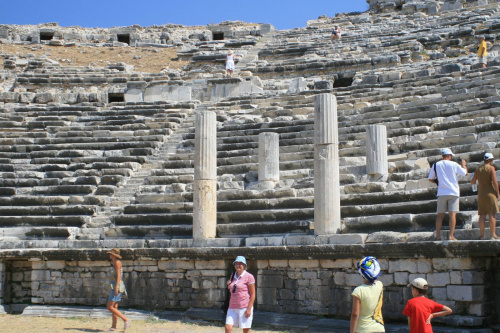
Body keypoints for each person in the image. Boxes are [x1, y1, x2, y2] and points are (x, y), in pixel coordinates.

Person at [428, 148, 467, 241]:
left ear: (442, 156)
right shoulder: (454, 164)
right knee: (452, 215)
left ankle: (438, 236)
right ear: (449, 156)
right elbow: (465, 173)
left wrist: (438, 182)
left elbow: (430, 178)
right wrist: (464, 165)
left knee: (440, 215)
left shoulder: (436, 165)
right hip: (453, 192)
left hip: (441, 192)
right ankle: (451, 235)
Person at [350, 256, 385, 333]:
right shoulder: (380, 285)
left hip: (363, 329)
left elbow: (355, 314)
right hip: (379, 328)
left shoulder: (358, 291)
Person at [471, 152, 500, 240]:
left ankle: (482, 235)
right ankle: (493, 235)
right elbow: (494, 182)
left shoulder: (478, 169)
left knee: (482, 215)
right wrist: (498, 193)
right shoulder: (491, 168)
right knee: (492, 215)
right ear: (490, 160)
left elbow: (472, 181)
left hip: (481, 194)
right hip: (490, 193)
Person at [225, 256, 255, 333]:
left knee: (245, 330)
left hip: (244, 307)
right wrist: (229, 285)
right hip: (232, 306)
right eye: (236, 263)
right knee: (228, 328)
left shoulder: (249, 277)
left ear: (244, 265)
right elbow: (232, 289)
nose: (238, 265)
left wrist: (249, 309)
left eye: (240, 264)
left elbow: (252, 294)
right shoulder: (233, 275)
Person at [106, 248, 131, 332]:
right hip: (116, 286)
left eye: (110, 254)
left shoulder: (117, 263)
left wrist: (116, 288)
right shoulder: (115, 262)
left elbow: (119, 276)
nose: (109, 255)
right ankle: (114, 326)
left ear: (114, 255)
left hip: (117, 286)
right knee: (114, 307)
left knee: (109, 307)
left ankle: (126, 319)